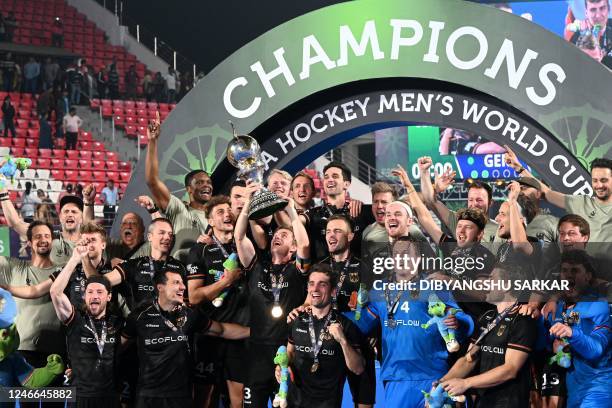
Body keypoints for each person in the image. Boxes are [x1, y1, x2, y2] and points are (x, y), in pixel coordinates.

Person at [348, 236, 473, 407]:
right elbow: (361, 325)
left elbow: (465, 321)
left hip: (434, 376)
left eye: (406, 253)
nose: (400, 258)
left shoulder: (433, 285)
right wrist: (343, 313)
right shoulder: (380, 289)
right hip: (396, 376)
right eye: (396, 254)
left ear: (418, 258)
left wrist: (457, 322)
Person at [121, 268, 249, 408]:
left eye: (182, 282)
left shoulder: (190, 314)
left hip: (181, 396)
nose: (183, 286)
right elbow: (119, 346)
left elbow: (222, 330)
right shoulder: (139, 316)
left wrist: (255, 331)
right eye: (176, 282)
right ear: (160, 287)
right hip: (148, 396)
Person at [235, 183, 310, 407]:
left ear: (293, 247)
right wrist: (247, 203)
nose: (278, 236)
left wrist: (292, 213)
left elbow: (305, 243)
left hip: (286, 349)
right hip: (257, 351)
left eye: (285, 235)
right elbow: (239, 238)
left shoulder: (297, 270)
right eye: (277, 234)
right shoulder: (257, 265)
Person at [439, 263, 538, 408]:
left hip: (509, 402)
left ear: (506, 285)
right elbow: (468, 360)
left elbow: (510, 369)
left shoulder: (523, 319)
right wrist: (442, 382)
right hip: (483, 401)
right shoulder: (487, 317)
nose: (485, 284)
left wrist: (466, 383)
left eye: (491, 279)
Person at [187, 195, 248, 408]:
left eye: (228, 210)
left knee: (237, 401)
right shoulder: (200, 250)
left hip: (240, 335)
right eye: (220, 212)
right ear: (210, 222)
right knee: (204, 398)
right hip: (209, 334)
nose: (227, 214)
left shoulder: (245, 246)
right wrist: (225, 282)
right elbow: (193, 297)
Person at [282, 265, 365, 408]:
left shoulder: (346, 326)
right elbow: (290, 351)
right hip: (294, 402)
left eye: (322, 284)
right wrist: (283, 366)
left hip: (327, 403)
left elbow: (358, 368)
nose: (315, 289)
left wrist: (343, 341)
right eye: (312, 284)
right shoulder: (297, 321)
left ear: (333, 292)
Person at [319, 214, 376, 408]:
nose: (331, 235)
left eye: (337, 231)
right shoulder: (320, 268)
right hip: (324, 342)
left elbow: (376, 307)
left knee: (364, 402)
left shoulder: (366, 268)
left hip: (357, 341)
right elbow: (309, 301)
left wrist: (373, 332)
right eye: (328, 231)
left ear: (350, 236)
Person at [545, 250, 612, 408]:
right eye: (565, 270)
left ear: (588, 276)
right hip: (574, 394)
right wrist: (560, 350)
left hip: (599, 391)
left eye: (575, 270)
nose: (568, 275)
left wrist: (571, 333)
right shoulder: (559, 309)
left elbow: (596, 349)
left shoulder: (599, 306)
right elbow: (565, 362)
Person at [145, 112, 212, 263]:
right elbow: (152, 181)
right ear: (189, 189)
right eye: (200, 182)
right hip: (180, 276)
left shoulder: (219, 215)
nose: (206, 185)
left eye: (208, 182)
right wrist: (152, 142)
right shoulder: (178, 209)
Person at [50, 269, 122, 407]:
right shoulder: (75, 320)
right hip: (79, 397)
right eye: (90, 292)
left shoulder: (118, 323)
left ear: (109, 296)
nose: (94, 296)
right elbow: (55, 292)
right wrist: (75, 258)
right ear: (84, 296)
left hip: (110, 398)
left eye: (99, 292)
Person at [0, 221, 65, 371]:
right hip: (19, 350)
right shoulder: (13, 267)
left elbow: (35, 291)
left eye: (47, 236)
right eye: (37, 236)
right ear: (29, 243)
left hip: (55, 353)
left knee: (54, 395)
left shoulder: (63, 270)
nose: (43, 239)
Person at [104, 218, 185, 310]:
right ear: (150, 237)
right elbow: (101, 282)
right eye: (162, 233)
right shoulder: (134, 264)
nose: (167, 237)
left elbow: (188, 302)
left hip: (170, 322)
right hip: (139, 322)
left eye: (170, 234)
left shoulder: (181, 267)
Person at [302, 161, 373, 261]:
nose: (330, 179)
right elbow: (291, 223)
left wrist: (404, 186)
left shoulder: (359, 210)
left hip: (356, 274)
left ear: (346, 184)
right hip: (321, 274)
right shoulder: (313, 214)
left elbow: (392, 213)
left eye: (335, 176)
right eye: (326, 177)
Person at [419, 156, 500, 243]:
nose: (474, 204)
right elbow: (430, 201)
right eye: (471, 200)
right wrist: (424, 173)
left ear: (490, 202)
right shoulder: (458, 222)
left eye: (479, 200)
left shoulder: (499, 230)